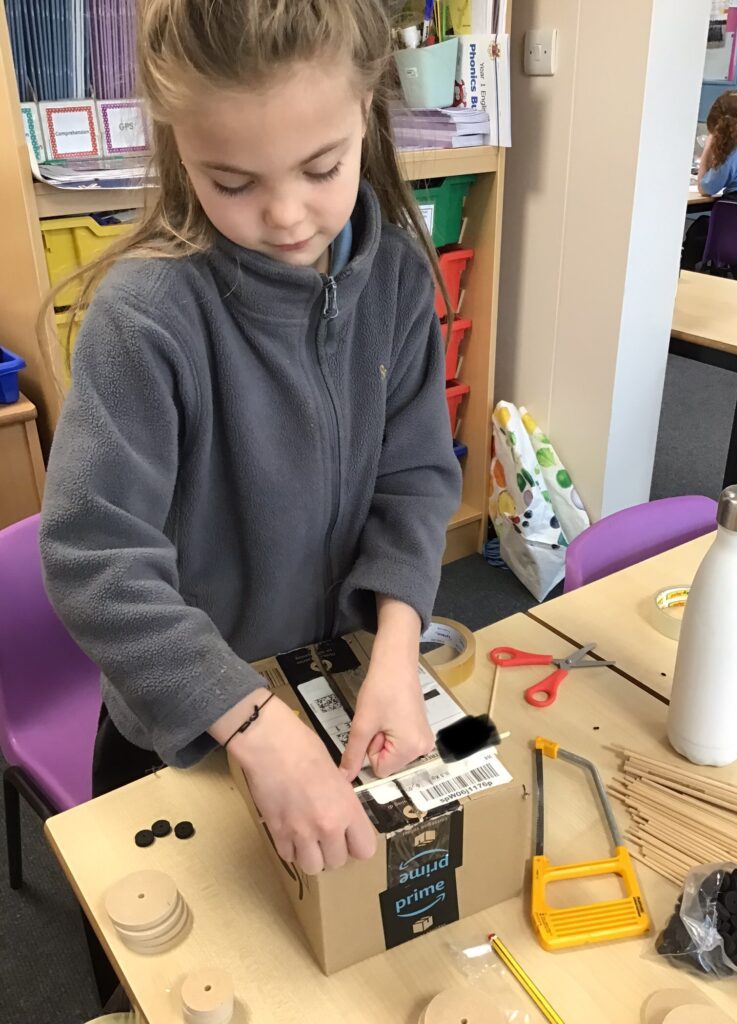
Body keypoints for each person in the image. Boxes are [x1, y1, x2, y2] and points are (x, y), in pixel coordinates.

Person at [39, 0, 462, 878]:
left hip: (336, 687)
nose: (287, 216)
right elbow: (94, 558)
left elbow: (416, 479)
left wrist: (395, 650)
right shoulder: (145, 320)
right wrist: (252, 721)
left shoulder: (394, 276)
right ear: (179, 147)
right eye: (232, 183)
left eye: (322, 168)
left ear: (366, 111)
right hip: (187, 730)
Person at [681, 90, 737, 271]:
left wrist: (709, 147)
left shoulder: (736, 156)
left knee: (698, 230)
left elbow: (705, 187)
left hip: (734, 240)